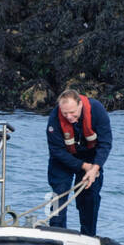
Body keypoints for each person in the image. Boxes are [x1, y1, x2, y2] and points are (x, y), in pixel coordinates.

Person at [45, 89, 112, 237]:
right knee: (58, 193)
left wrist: (94, 168)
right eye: (65, 113)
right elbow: (56, 150)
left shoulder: (97, 111)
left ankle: (88, 235)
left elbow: (105, 143)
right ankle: (56, 233)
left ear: (80, 104)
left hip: (90, 157)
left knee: (90, 197)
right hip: (63, 158)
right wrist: (83, 166)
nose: (69, 117)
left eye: (72, 113)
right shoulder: (54, 118)